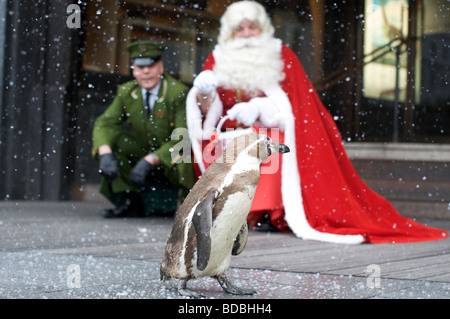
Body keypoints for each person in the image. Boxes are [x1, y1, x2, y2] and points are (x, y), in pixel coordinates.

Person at [186, 0, 448, 244]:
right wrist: (203, 92)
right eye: (238, 29)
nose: (245, 34)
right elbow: (207, 109)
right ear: (229, 33)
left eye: (251, 27)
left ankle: (269, 212)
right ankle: (232, 211)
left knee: (271, 145)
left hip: (268, 130)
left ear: (262, 29)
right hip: (229, 131)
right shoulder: (218, 57)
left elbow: (292, 109)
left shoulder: (281, 56)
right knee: (219, 144)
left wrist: (258, 108)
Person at [92, 39, 195, 218]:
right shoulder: (126, 92)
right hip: (143, 149)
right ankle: (128, 200)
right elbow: (105, 123)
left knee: (182, 156)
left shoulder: (177, 92)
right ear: (133, 70)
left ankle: (183, 203)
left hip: (169, 157)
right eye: (140, 68)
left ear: (161, 67)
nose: (146, 72)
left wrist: (151, 160)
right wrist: (105, 152)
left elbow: (182, 138)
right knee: (115, 142)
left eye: (151, 66)